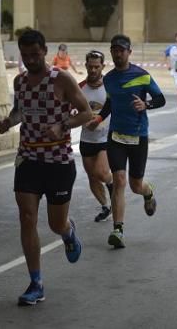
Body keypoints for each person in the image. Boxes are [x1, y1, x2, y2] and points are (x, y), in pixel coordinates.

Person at [0, 29, 93, 306]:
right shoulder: (20, 81)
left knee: (55, 223)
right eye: (25, 56)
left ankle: (68, 232)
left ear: (45, 51)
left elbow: (87, 112)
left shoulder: (61, 79)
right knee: (27, 217)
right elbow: (20, 111)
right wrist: (8, 122)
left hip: (58, 161)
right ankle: (36, 282)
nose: (29, 60)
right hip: (28, 159)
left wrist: (62, 125)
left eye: (34, 55)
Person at [87, 34, 166, 249]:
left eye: (121, 50)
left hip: (138, 135)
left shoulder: (142, 75)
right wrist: (99, 119)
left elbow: (161, 99)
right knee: (119, 180)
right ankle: (118, 230)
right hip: (116, 137)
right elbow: (110, 103)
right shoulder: (109, 79)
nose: (117, 53)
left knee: (135, 185)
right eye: (114, 50)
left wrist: (146, 105)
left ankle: (148, 192)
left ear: (129, 52)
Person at [79, 49, 113, 222]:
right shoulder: (79, 88)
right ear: (85, 66)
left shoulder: (110, 86)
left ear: (103, 66)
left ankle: (112, 184)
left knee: (101, 172)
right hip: (86, 139)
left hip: (105, 138)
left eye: (96, 67)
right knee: (92, 176)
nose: (93, 70)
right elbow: (71, 110)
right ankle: (105, 207)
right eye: (90, 67)